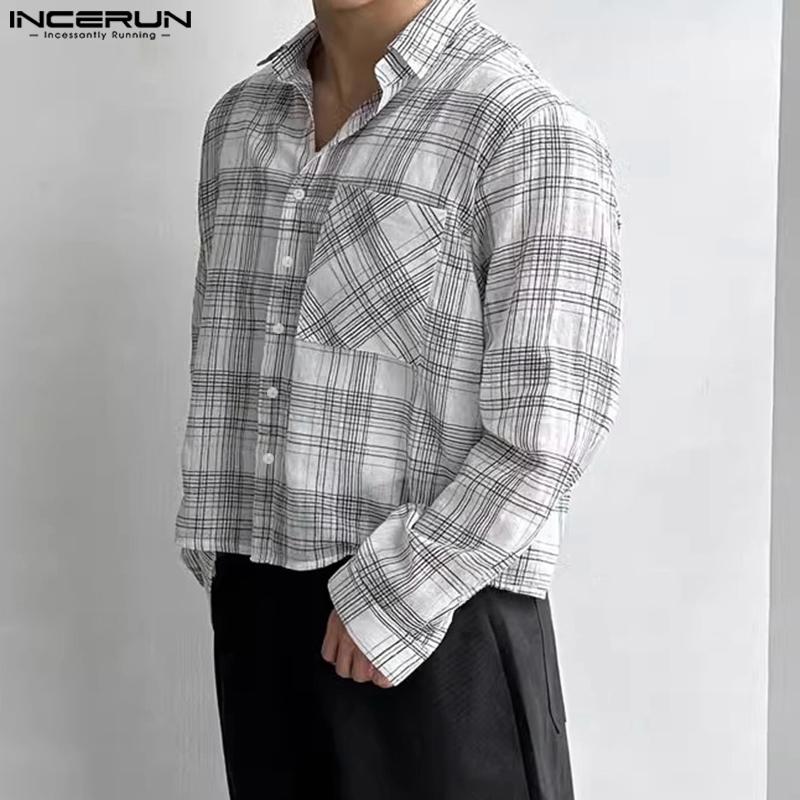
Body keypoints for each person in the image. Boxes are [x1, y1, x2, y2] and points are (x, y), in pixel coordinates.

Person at [175, 0, 623, 797]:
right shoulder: (240, 124)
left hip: (437, 618)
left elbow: (552, 424)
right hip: (257, 608)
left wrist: (400, 594)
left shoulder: (521, 125)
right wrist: (231, 577)